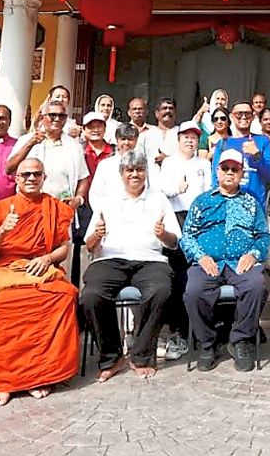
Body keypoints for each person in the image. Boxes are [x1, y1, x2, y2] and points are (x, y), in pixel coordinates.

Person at [0, 158, 80, 407]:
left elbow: (63, 249)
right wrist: (2, 230)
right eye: (25, 175)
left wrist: (46, 259)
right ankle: (5, 382)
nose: (31, 179)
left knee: (64, 296)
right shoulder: (0, 208)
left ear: (44, 177)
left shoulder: (54, 207)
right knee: (2, 305)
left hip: (40, 268)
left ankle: (39, 376)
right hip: (5, 271)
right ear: (16, 178)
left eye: (36, 174)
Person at [82, 151, 180, 381]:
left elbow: (174, 242)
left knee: (162, 290)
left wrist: (163, 234)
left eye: (139, 170)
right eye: (130, 170)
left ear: (146, 172)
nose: (135, 174)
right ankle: (111, 357)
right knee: (91, 295)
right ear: (121, 174)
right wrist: (96, 235)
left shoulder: (159, 199)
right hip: (110, 259)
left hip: (150, 260)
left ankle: (141, 356)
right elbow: (89, 245)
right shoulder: (107, 200)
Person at [180, 149, 270, 372]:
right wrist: (200, 257)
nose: (230, 173)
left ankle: (240, 340)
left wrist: (253, 254)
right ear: (217, 171)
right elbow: (188, 235)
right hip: (208, 261)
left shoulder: (251, 202)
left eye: (235, 169)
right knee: (193, 292)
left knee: (257, 286)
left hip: (241, 261)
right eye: (225, 168)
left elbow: (263, 236)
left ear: (241, 173)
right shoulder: (202, 201)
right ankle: (207, 342)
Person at [157, 122, 211, 361]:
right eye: (186, 137)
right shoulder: (168, 163)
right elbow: (161, 190)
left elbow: (210, 190)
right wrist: (176, 189)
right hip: (176, 220)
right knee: (178, 276)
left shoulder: (204, 163)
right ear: (178, 139)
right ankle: (178, 330)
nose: (190, 141)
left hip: (200, 221)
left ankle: (202, 330)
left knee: (199, 273)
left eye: (194, 138)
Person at [7, 102, 88, 209]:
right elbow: (9, 168)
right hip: (30, 206)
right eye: (52, 115)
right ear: (42, 118)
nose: (57, 119)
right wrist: (30, 144)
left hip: (61, 208)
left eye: (61, 116)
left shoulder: (74, 146)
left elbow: (83, 177)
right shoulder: (27, 140)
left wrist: (78, 198)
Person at [209, 101, 270, 205]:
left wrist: (257, 156)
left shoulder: (263, 141)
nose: (243, 117)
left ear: (253, 116)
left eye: (247, 113)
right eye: (239, 114)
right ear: (231, 116)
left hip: (256, 206)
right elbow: (215, 178)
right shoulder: (223, 143)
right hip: (228, 205)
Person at [139, 97, 179, 163]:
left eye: (171, 108)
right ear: (157, 113)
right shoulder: (145, 135)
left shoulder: (182, 133)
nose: (168, 111)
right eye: (164, 108)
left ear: (175, 113)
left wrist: (167, 159)